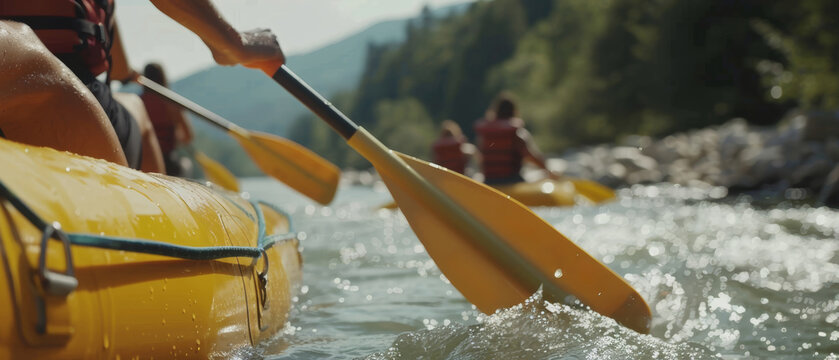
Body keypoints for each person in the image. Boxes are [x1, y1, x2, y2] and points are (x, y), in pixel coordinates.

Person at [0, 0, 284, 169]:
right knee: (134, 105)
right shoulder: (166, 104)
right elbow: (119, 69)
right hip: (57, 78)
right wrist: (232, 43)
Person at [474, 93, 560, 185]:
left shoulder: (485, 135)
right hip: (512, 181)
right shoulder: (517, 134)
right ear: (514, 111)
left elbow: (480, 157)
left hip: (489, 181)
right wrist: (548, 170)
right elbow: (530, 156)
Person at [140, 63, 195, 177]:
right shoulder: (172, 104)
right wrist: (175, 139)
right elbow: (187, 137)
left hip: (142, 162)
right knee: (187, 163)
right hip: (168, 164)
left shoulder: (138, 102)